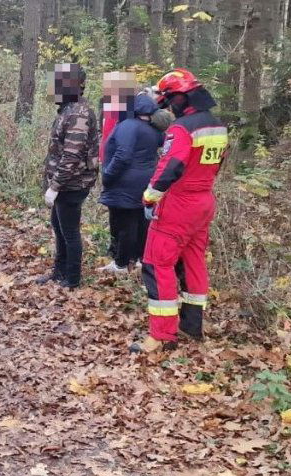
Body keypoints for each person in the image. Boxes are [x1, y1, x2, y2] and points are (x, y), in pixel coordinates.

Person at [131, 69, 228, 353]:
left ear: (178, 98)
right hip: (204, 201)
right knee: (194, 261)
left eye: (168, 101)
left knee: (156, 263)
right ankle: (191, 326)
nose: (168, 108)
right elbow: (216, 165)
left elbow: (170, 167)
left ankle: (162, 335)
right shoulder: (217, 125)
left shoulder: (182, 129)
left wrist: (150, 197)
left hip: (179, 205)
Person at [38, 63, 99, 290]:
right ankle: (59, 271)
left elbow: (71, 155)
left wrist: (55, 186)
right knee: (58, 225)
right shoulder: (68, 110)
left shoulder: (79, 114)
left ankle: (72, 279)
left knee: (70, 231)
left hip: (73, 183)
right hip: (65, 182)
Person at [97, 94, 163, 275]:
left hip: (124, 183)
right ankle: (138, 260)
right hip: (144, 182)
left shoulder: (127, 126)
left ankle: (121, 264)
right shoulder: (153, 130)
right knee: (139, 223)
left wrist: (108, 175)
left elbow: (123, 155)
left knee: (124, 224)